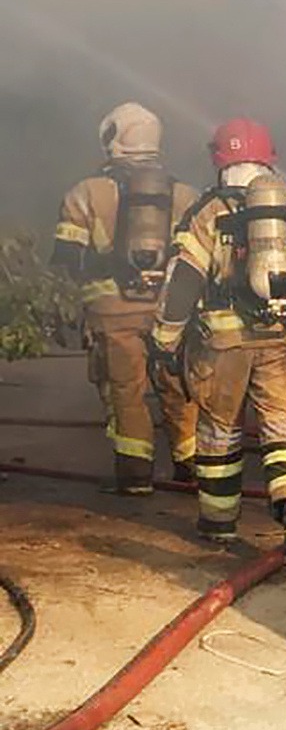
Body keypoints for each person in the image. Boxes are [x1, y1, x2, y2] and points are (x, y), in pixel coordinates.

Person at [147, 118, 286, 565]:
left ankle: (218, 524)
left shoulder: (208, 213)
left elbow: (182, 284)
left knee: (219, 433)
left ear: (219, 160)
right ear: (269, 159)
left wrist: (163, 341)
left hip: (221, 347)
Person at [50, 103, 200, 494]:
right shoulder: (186, 194)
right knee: (178, 384)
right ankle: (193, 465)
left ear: (112, 137)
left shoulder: (85, 192)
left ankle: (135, 475)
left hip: (112, 310)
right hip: (171, 310)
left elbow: (66, 258)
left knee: (125, 390)